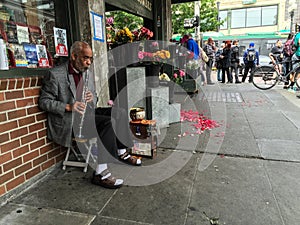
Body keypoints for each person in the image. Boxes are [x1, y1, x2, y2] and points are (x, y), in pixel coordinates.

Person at [39, 41, 141, 189]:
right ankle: (101, 174)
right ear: (74, 56)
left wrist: (92, 97)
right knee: (107, 122)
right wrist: (68, 106)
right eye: (85, 58)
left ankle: (122, 152)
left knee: (120, 112)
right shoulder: (55, 75)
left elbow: (94, 96)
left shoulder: (86, 72)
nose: (89, 63)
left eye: (91, 59)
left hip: (88, 114)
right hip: (72, 121)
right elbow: (44, 101)